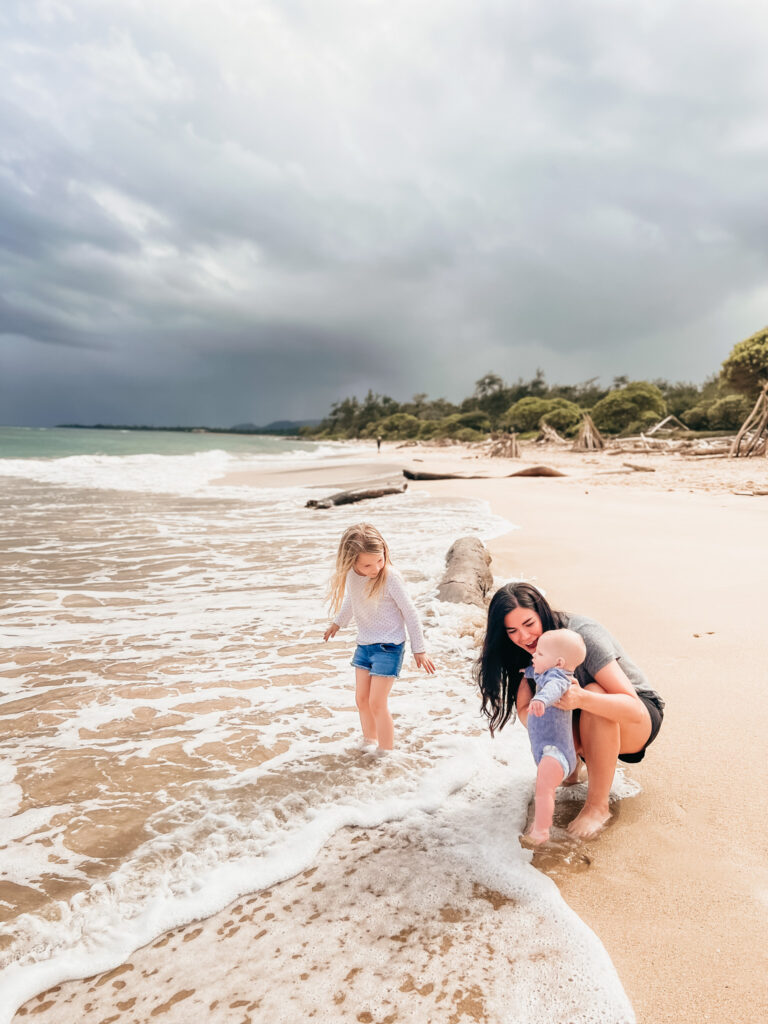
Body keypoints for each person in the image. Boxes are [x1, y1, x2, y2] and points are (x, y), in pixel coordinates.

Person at [475, 582, 664, 839]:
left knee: (595, 691)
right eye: (512, 630)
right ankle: (573, 770)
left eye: (529, 624)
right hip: (584, 716)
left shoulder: (581, 636)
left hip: (634, 718)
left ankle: (597, 807)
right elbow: (527, 710)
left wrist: (583, 698)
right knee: (554, 706)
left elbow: (636, 710)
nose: (524, 637)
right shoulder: (526, 650)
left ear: (542, 612)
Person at [323, 523, 436, 752]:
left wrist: (419, 649)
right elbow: (352, 600)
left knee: (377, 702)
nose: (375, 568)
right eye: (367, 564)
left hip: (389, 646)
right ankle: (369, 743)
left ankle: (386, 753)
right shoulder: (353, 576)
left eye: (380, 560)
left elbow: (410, 612)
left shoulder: (390, 577)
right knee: (361, 700)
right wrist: (338, 623)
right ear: (350, 561)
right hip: (364, 645)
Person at [522, 628, 586, 844]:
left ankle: (541, 830)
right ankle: (542, 821)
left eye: (539, 654)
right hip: (550, 748)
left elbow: (553, 688)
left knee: (544, 789)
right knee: (544, 786)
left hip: (555, 752)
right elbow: (538, 674)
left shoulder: (559, 678)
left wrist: (541, 700)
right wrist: (528, 672)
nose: (534, 656)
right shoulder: (547, 672)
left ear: (558, 662)